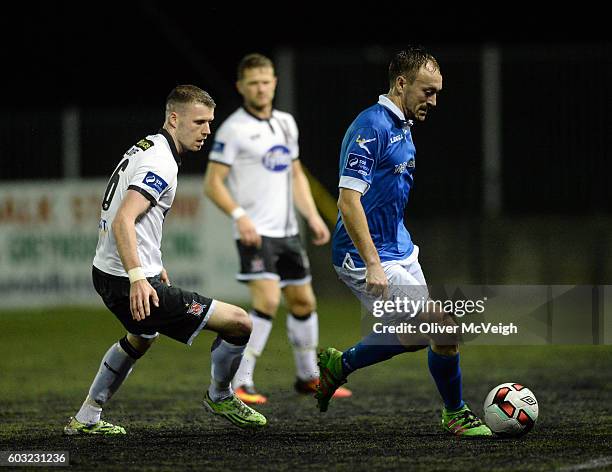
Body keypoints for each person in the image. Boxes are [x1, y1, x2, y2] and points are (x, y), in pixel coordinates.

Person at [63, 85, 267, 435]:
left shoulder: (149, 145)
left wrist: (152, 268)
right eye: (199, 122)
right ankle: (220, 395)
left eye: (210, 122)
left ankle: (86, 417)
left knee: (141, 337)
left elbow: (137, 222)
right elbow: (124, 219)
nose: (207, 130)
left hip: (108, 273)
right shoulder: (160, 161)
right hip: (127, 280)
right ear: (174, 119)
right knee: (240, 323)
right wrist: (140, 278)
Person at [315, 46, 492, 437]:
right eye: (427, 91)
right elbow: (348, 202)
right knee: (444, 328)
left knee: (417, 335)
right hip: (365, 258)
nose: (434, 100)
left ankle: (339, 365)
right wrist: (374, 262)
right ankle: (455, 413)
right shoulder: (371, 127)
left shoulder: (404, 129)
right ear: (401, 83)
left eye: (438, 92)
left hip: (400, 250)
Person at [204, 53, 351, 404]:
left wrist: (312, 215)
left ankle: (307, 378)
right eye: (253, 82)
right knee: (268, 299)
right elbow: (213, 183)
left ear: (274, 83)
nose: (261, 88)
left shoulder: (286, 123)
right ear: (241, 87)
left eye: (266, 81)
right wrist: (239, 215)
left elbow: (295, 173)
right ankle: (240, 382)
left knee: (303, 301)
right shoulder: (233, 129)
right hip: (256, 233)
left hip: (287, 233)